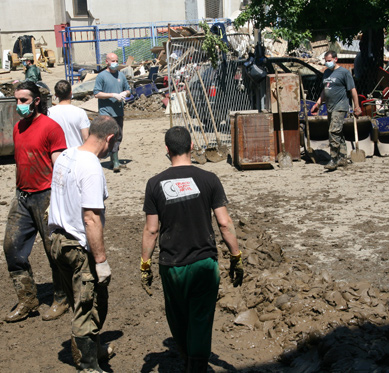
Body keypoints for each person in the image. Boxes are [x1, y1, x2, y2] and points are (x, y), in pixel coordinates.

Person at [140, 126, 244, 372]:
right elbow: (224, 223)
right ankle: (196, 365)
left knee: (177, 316)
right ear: (192, 147)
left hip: (171, 265)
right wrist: (236, 256)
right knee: (200, 316)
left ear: (167, 149)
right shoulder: (209, 179)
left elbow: (151, 230)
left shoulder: (154, 184)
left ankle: (188, 357)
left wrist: (145, 264)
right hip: (204, 264)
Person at [48, 115, 119, 372]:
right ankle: (89, 367)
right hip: (77, 247)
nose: (113, 150)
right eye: (114, 144)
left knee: (79, 301)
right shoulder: (91, 166)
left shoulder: (66, 156)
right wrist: (100, 261)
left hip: (57, 241)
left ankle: (94, 350)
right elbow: (91, 218)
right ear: (109, 138)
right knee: (89, 307)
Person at [2, 81, 69, 323]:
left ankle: (61, 297)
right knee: (12, 247)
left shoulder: (51, 128)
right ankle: (28, 299)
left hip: (46, 196)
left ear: (36, 100)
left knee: (54, 250)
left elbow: (59, 166)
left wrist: (60, 199)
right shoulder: (18, 128)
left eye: (23, 100)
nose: (19, 105)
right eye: (16, 100)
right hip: (22, 197)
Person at [311, 50, 362, 171]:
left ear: (335, 59)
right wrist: (318, 103)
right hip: (330, 106)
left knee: (333, 131)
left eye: (329, 61)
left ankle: (333, 159)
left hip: (340, 106)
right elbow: (325, 90)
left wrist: (357, 107)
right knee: (337, 132)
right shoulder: (327, 73)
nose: (327, 63)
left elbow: (353, 90)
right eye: (326, 61)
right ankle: (342, 157)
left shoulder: (344, 73)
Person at [93, 53, 131, 172]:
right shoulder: (102, 76)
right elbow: (97, 93)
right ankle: (114, 161)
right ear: (107, 62)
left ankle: (114, 159)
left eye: (117, 60)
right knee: (109, 136)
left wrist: (125, 93)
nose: (115, 62)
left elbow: (128, 89)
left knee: (118, 135)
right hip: (106, 111)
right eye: (113, 60)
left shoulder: (121, 75)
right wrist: (113, 95)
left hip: (118, 111)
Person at [48, 80, 91, 148]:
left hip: (57, 154)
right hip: (76, 153)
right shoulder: (80, 112)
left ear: (56, 95)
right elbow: (86, 137)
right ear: (71, 93)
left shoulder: (49, 113)